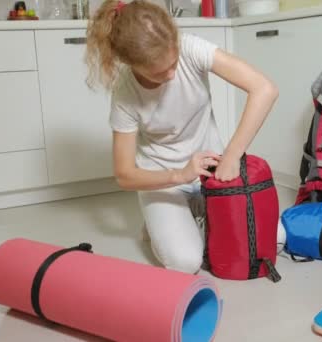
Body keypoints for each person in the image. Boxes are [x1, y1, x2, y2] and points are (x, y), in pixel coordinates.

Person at [85, 0, 279, 274]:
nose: (172, 74)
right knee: (186, 262)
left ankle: (189, 216)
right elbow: (125, 174)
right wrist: (179, 175)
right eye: (159, 72)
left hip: (211, 172)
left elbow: (264, 89)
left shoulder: (190, 47)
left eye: (173, 63)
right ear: (131, 64)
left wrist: (232, 155)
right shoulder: (125, 94)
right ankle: (165, 219)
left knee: (275, 241)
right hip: (164, 179)